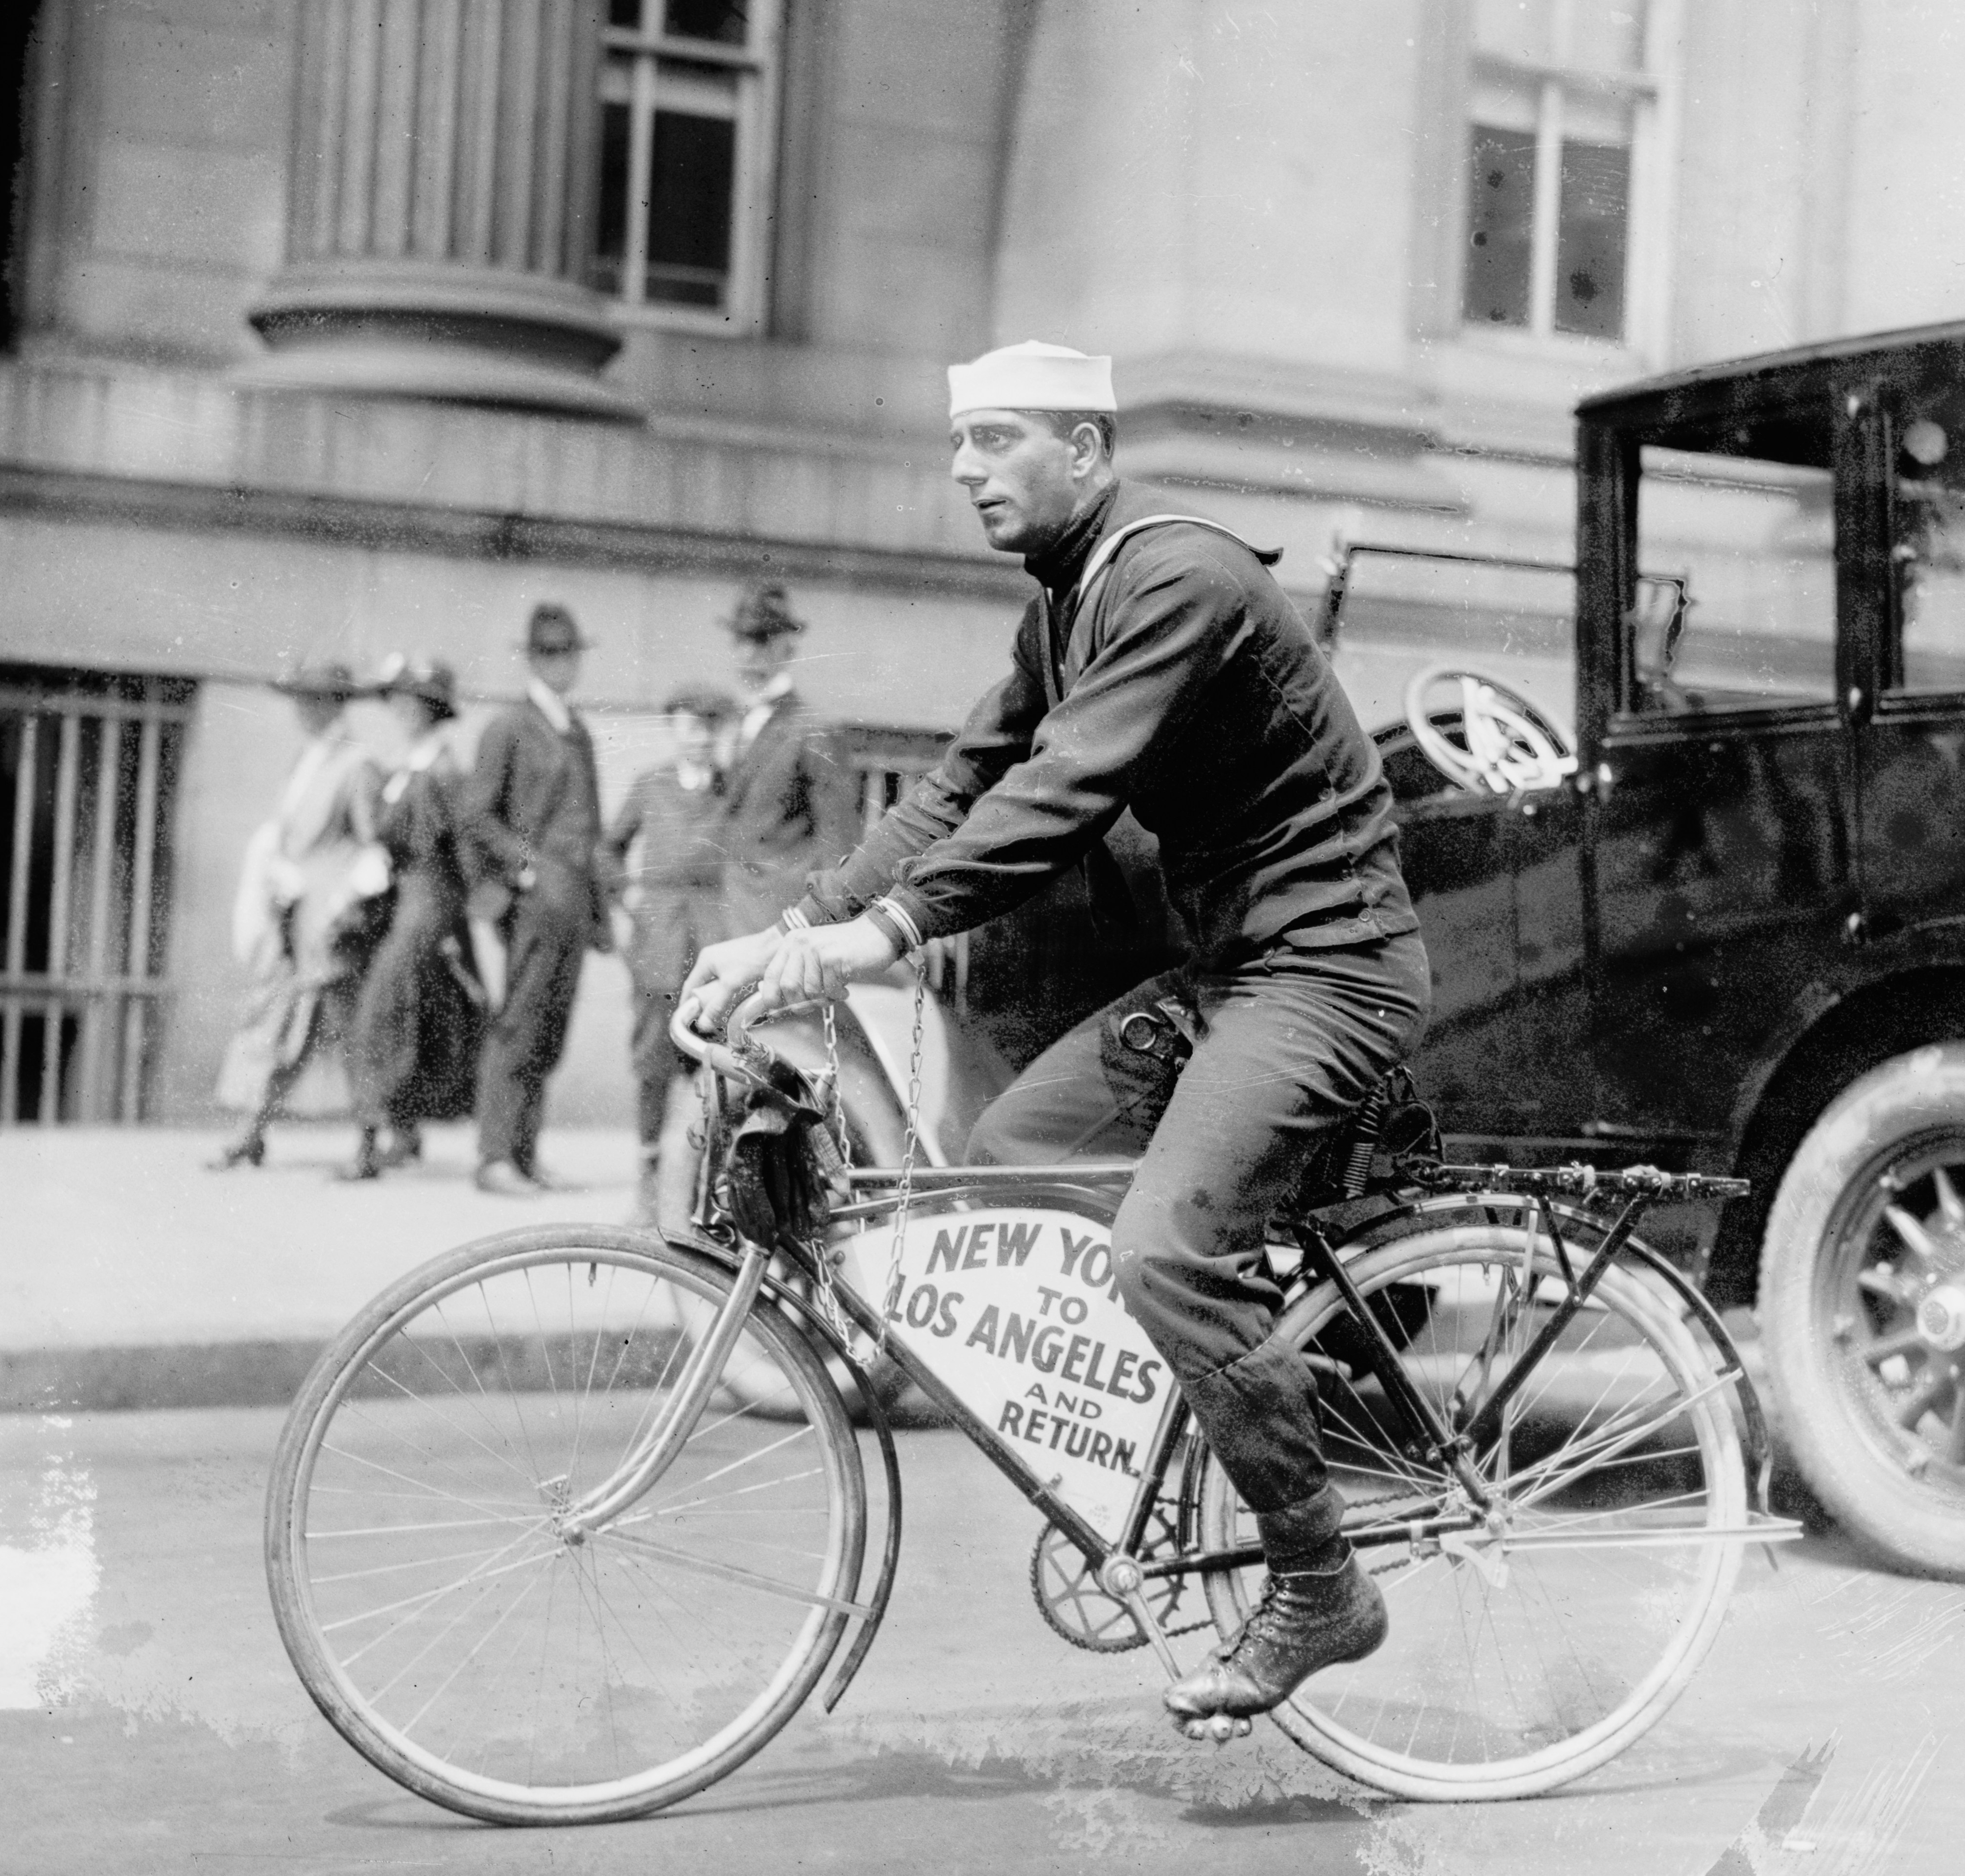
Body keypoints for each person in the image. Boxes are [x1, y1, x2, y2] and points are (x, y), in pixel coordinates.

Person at [679, 340, 1428, 1734]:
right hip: (1231, 973)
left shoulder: (1175, 577)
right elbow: (966, 781)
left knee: (1160, 1244)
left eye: (999, 440)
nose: (965, 468)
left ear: (1085, 450)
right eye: (960, 441)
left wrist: (885, 937)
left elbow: (1063, 795)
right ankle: (1184, 1435)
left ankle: (1320, 1574)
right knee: (1011, 1155)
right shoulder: (1069, 600)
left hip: (1329, 972)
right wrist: (800, 926)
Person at [210, 661, 384, 1169]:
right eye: (301, 701)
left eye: (315, 701)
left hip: (330, 920)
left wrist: (343, 904)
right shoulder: (304, 759)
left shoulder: (358, 763)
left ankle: (373, 1140)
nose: (303, 711)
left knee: (348, 1030)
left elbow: (373, 848)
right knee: (281, 1024)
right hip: (294, 916)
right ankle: (251, 1131)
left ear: (336, 704)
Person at [463, 602, 606, 1197]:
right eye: (548, 652)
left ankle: (526, 1154)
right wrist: (523, 869)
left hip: (572, 906)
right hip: (530, 906)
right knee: (517, 1026)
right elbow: (475, 815)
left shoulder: (577, 730)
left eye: (568, 652)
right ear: (530, 659)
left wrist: (599, 908)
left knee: (550, 1030)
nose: (560, 663)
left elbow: (592, 826)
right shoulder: (509, 727)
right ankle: (495, 1158)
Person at [341, 655, 486, 1180]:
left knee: (381, 1012)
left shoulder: (442, 772)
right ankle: (399, 1132)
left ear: (434, 710)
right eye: (397, 700)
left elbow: (459, 851)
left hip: (428, 903)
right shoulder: (408, 766)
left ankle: (369, 1145)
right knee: (401, 1012)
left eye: (414, 701)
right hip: (403, 899)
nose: (402, 709)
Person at [599, 684, 739, 1227]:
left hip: (713, 942)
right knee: (654, 1066)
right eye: (689, 727)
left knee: (713, 1066)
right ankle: (649, 1187)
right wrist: (628, 898)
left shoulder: (732, 791)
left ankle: (707, 1191)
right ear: (674, 730)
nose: (700, 738)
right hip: (658, 941)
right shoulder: (651, 785)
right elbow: (607, 849)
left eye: (710, 727)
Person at [713, 584, 862, 943]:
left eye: (762, 639)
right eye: (740, 640)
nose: (748, 652)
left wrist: (830, 926)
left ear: (787, 646)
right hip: (726, 908)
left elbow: (837, 840)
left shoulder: (812, 730)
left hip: (779, 916)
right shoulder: (734, 722)